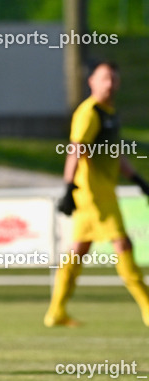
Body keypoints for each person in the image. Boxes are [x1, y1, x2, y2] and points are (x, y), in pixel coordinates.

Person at [45, 60, 149, 327]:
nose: (110, 84)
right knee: (123, 244)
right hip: (92, 195)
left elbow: (114, 154)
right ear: (91, 82)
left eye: (114, 79)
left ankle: (56, 311)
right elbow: (76, 149)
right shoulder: (89, 112)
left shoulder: (110, 112)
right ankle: (148, 308)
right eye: (105, 78)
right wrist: (69, 188)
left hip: (104, 193)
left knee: (78, 251)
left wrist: (137, 180)